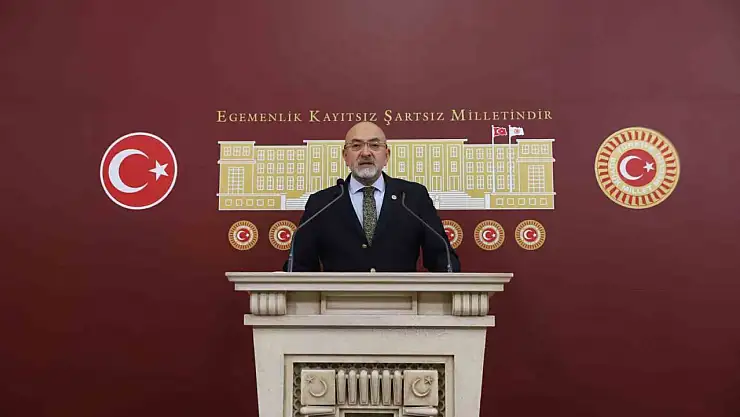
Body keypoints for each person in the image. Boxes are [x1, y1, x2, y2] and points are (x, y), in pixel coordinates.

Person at [283, 121, 461, 273]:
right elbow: (299, 266)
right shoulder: (321, 203)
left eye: (374, 145)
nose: (366, 153)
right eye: (356, 146)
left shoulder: (413, 197)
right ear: (345, 156)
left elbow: (442, 259)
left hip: (402, 301)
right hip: (339, 302)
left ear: (386, 156)